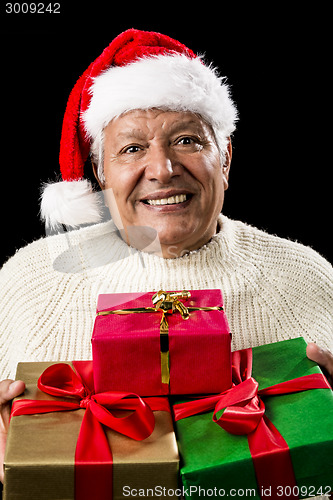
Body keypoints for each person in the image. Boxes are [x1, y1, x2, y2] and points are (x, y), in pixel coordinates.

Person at [0, 29, 332, 494]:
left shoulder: (308, 275)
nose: (162, 169)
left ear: (227, 158)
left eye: (187, 141)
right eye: (132, 149)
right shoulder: (27, 280)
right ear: (100, 172)